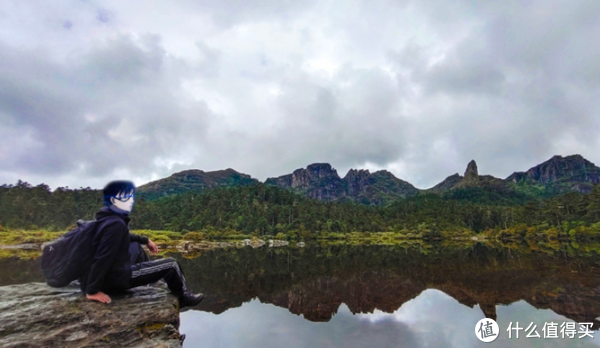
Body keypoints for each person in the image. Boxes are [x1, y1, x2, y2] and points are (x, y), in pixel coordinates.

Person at [79, 180, 203, 308]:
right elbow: (102, 259)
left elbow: (124, 237)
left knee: (135, 246)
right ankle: (182, 297)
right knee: (171, 264)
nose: (131, 202)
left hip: (104, 277)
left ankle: (149, 280)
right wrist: (92, 290)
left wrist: (145, 240)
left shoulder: (102, 223)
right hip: (115, 280)